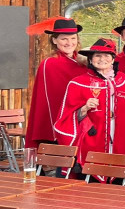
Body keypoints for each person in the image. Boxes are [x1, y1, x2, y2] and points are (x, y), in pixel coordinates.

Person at [54, 38, 125, 177]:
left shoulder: (123, 80)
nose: (102, 59)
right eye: (97, 56)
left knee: (122, 182)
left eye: (107, 55)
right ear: (90, 59)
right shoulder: (77, 83)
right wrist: (84, 108)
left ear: (113, 60)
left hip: (122, 141)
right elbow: (64, 119)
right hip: (92, 142)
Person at [25, 17, 85, 150]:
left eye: (73, 38)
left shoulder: (84, 62)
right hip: (61, 125)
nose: (69, 43)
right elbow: (51, 100)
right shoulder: (50, 64)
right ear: (54, 40)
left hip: (84, 123)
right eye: (64, 39)